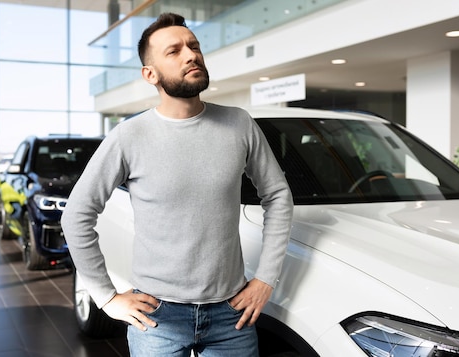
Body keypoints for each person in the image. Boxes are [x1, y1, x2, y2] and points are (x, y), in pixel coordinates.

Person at [61, 12, 294, 357]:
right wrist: (106, 297)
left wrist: (266, 279)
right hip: (157, 318)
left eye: (194, 46)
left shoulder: (238, 124)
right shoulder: (129, 136)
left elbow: (277, 196)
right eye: (174, 51)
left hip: (231, 315)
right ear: (150, 73)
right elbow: (76, 215)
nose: (191, 55)